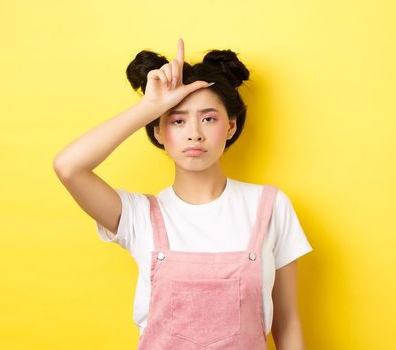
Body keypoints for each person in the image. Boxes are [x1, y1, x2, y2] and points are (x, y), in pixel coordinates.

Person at [52, 38, 312, 349]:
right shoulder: (138, 216)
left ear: (230, 126)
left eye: (208, 118)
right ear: (158, 131)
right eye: (177, 120)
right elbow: (68, 167)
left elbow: (288, 322)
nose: (194, 133)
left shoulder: (269, 206)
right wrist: (150, 106)